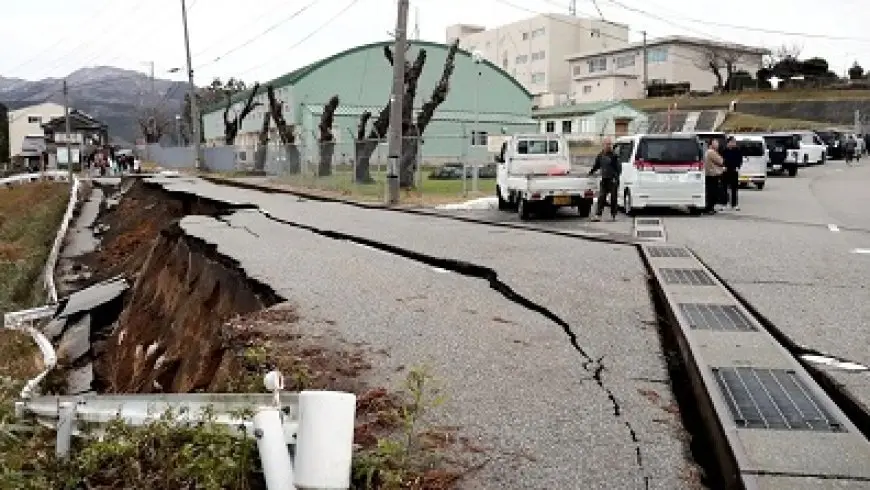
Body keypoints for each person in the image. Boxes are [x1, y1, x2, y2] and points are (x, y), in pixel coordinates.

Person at [587, 137, 621, 221]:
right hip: (604, 179)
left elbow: (619, 169)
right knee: (601, 197)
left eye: (610, 144)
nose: (609, 146)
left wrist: (616, 178)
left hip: (613, 180)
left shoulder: (614, 156)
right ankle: (598, 215)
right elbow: (596, 166)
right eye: (607, 144)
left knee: (613, 198)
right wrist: (590, 173)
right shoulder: (600, 155)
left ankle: (613, 215)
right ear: (603, 145)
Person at [720, 136, 743, 211]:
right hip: (725, 171)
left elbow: (740, 160)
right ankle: (724, 204)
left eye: (734, 142)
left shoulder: (737, 150)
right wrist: (723, 166)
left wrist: (738, 167)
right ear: (728, 142)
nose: (734, 144)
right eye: (732, 142)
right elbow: (721, 159)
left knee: (734, 188)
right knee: (724, 188)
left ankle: (734, 204)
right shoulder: (724, 150)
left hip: (734, 170)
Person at [703, 138, 725, 214]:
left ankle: (710, 207)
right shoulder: (711, 152)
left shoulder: (707, 152)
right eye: (716, 143)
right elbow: (721, 161)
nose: (717, 144)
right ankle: (710, 208)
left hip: (709, 174)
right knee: (712, 192)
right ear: (711, 144)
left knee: (710, 191)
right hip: (713, 174)